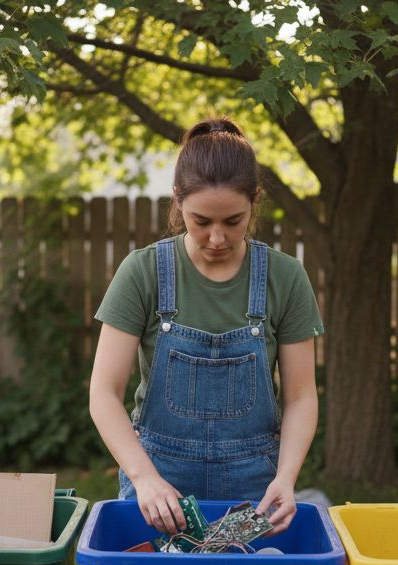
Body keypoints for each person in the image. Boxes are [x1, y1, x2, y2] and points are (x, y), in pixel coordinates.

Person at [89, 116, 323, 536]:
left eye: (232, 221)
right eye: (201, 221)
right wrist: (144, 479)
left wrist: (285, 479)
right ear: (178, 201)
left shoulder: (285, 278)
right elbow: (103, 394)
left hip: (254, 488)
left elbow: (303, 396)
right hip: (158, 488)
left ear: (254, 201)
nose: (217, 237)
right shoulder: (143, 272)